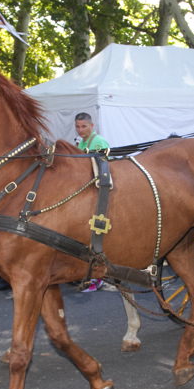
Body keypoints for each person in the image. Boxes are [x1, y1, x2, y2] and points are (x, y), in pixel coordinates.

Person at [74, 112, 108, 292]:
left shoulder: (99, 142)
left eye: (83, 126)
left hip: (98, 194)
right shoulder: (81, 143)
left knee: (96, 236)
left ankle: (98, 277)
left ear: (92, 126)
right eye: (77, 126)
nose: (80, 130)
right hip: (87, 192)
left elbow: (104, 169)